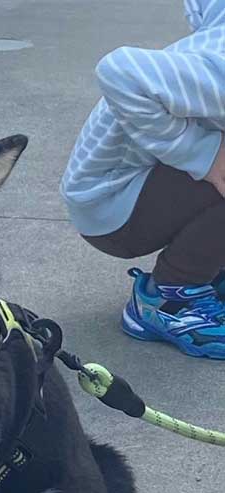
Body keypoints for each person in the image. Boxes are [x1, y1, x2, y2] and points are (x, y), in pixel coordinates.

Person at [61, 0, 225, 359]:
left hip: (142, 183)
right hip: (109, 202)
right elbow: (119, 70)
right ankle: (169, 298)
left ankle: (211, 269)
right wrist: (208, 157)